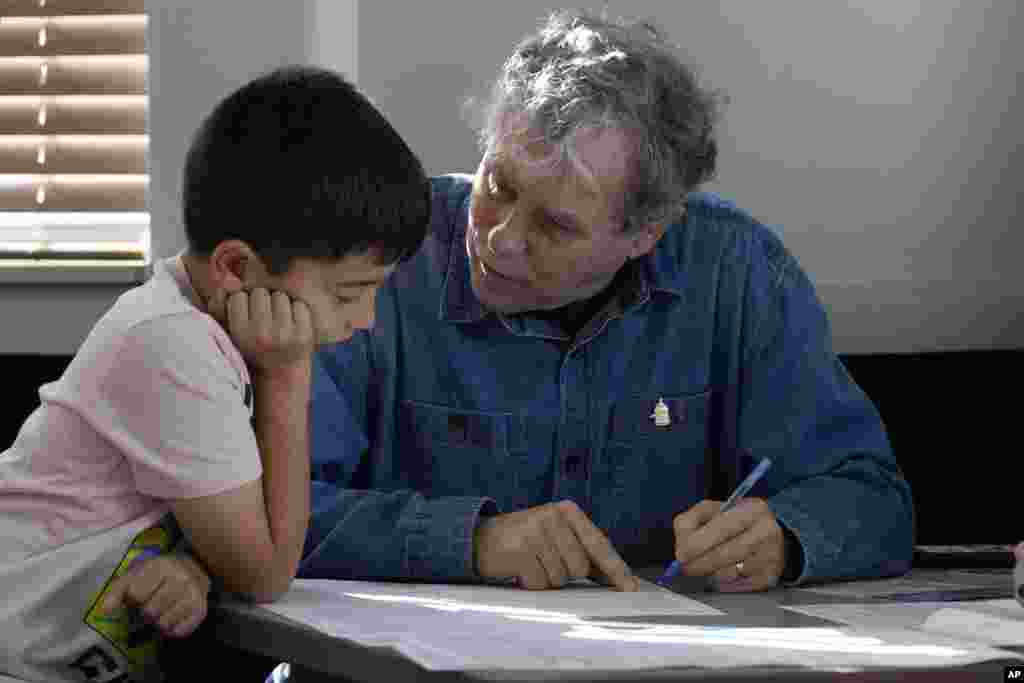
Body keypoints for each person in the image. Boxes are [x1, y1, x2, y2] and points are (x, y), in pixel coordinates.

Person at [303, 9, 913, 594]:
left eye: (556, 226)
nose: (500, 237)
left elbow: (873, 500)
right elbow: (271, 517)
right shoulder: (382, 262)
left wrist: (783, 538)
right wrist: (475, 541)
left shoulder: (736, 272)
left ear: (646, 234)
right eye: (498, 184)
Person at [0, 65, 429, 682]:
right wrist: (288, 376)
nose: (364, 320)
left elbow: (222, 532)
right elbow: (265, 574)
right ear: (237, 267)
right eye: (348, 293)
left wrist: (197, 568)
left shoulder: (204, 329)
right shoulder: (173, 344)